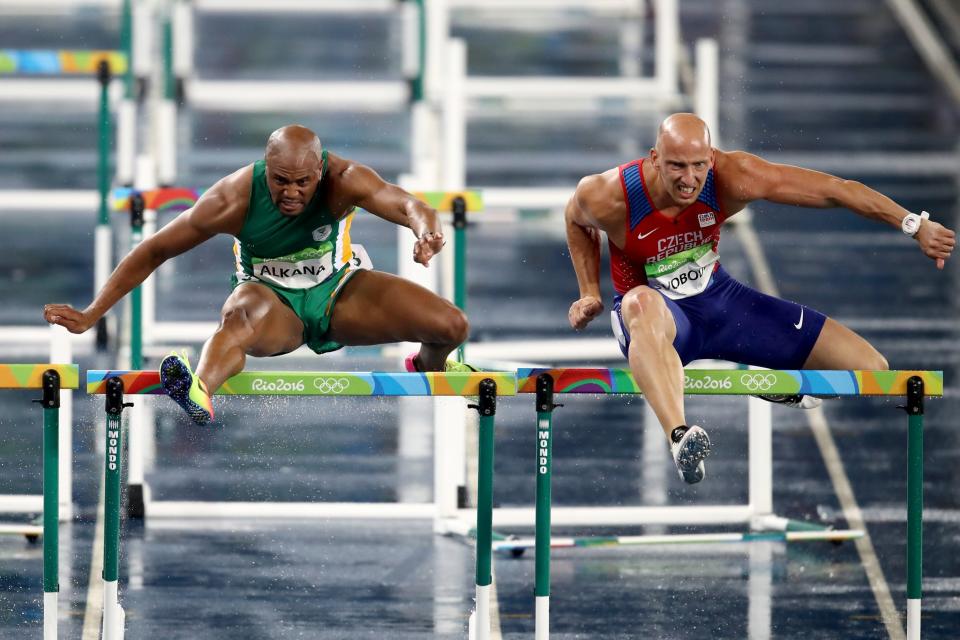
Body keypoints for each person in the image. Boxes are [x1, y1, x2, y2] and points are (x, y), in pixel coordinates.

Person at [565, 113, 956, 485]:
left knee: (869, 368)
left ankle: (777, 384)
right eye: (677, 167)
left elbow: (836, 191)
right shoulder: (610, 194)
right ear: (655, 158)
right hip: (658, 319)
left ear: (712, 157)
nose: (690, 180)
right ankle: (680, 437)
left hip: (719, 301)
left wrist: (914, 224)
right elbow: (575, 218)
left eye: (699, 165)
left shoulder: (733, 176)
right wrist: (589, 291)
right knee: (641, 302)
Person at [44, 124, 470, 424]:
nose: (290, 192)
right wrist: (93, 312)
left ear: (320, 172)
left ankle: (428, 367)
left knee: (452, 325)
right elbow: (154, 249)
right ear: (265, 169)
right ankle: (199, 390)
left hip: (339, 291)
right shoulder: (231, 198)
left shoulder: (346, 179)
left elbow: (408, 204)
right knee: (239, 317)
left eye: (302, 182)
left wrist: (426, 231)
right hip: (271, 303)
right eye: (280, 181)